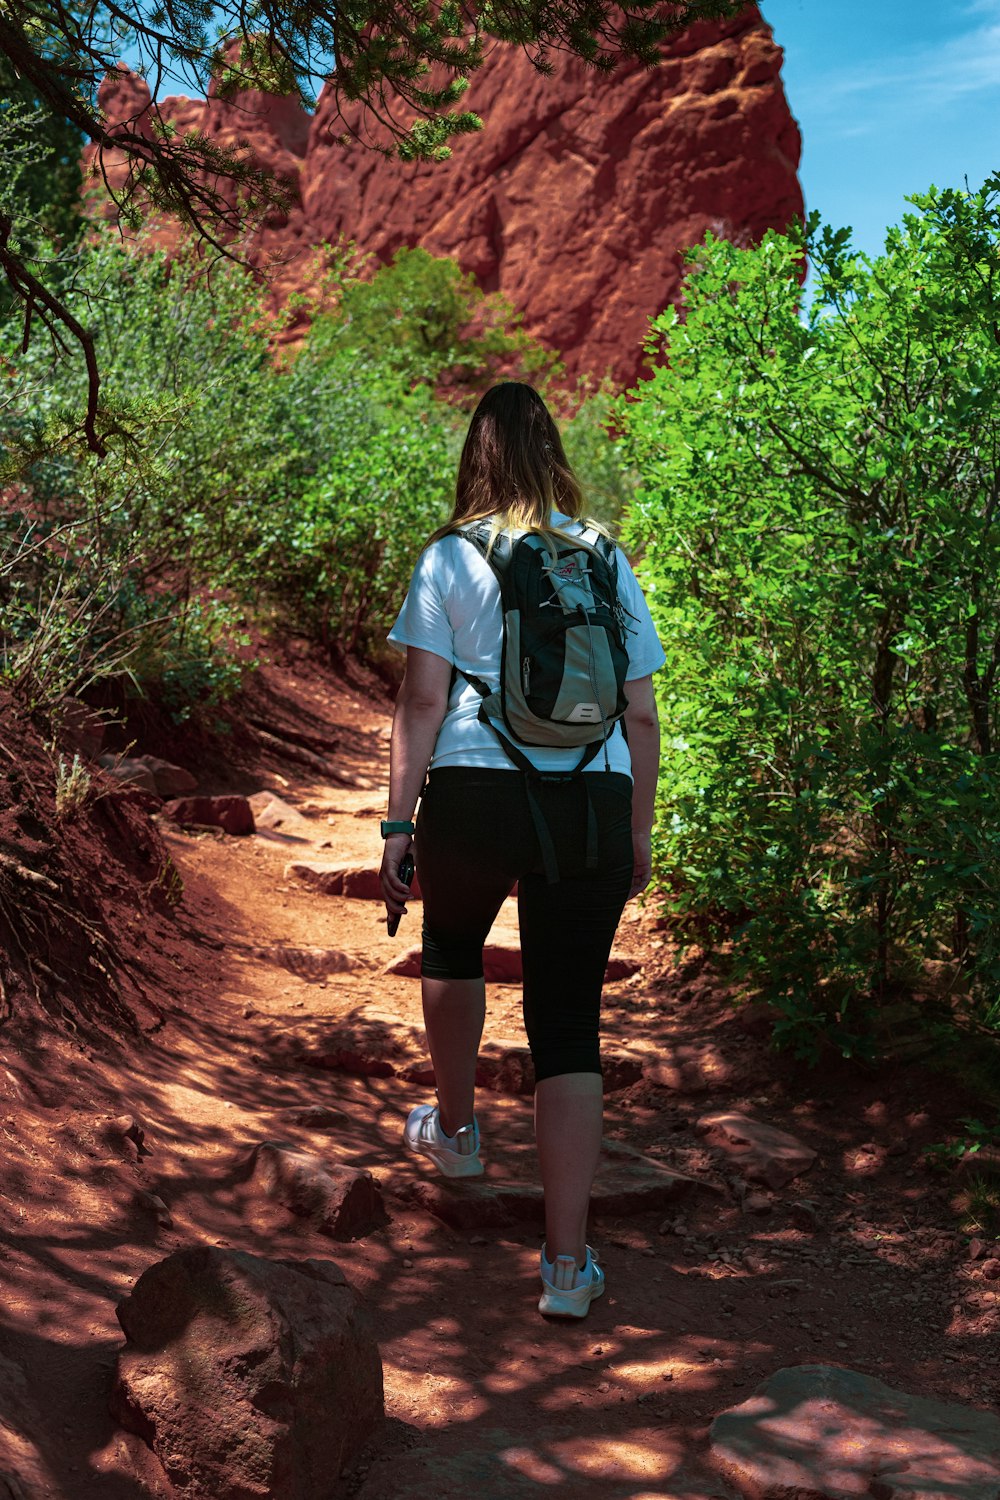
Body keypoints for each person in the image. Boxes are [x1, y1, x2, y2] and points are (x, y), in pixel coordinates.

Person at [379, 381, 664, 1318]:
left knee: (455, 947)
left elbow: (422, 702)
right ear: (554, 454)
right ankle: (567, 1269)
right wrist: (636, 829)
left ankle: (458, 1134)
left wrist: (398, 823)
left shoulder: (451, 555)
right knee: (569, 1022)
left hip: (475, 786)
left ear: (478, 455)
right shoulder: (604, 554)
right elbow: (642, 710)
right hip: (593, 797)